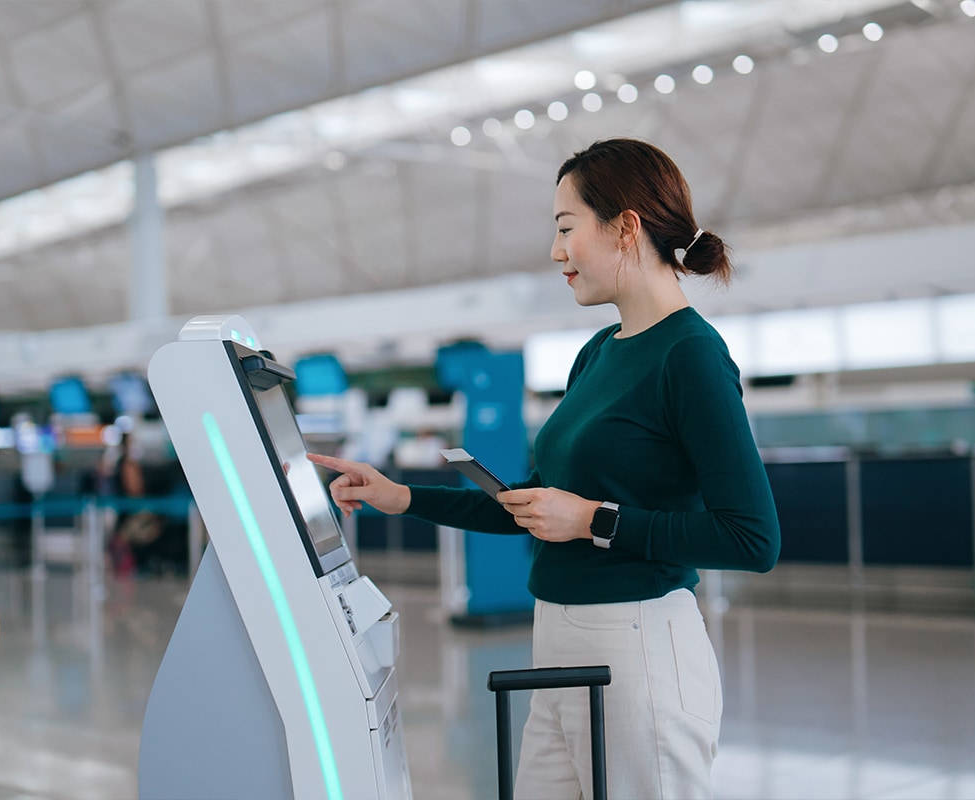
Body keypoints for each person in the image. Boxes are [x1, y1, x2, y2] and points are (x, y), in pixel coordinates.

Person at [309, 137, 780, 799]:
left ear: (625, 228)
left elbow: (752, 538)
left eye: (566, 229)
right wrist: (404, 497)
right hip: (557, 639)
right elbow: (536, 504)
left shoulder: (691, 355)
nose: (557, 252)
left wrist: (594, 520)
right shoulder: (598, 353)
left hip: (638, 647)